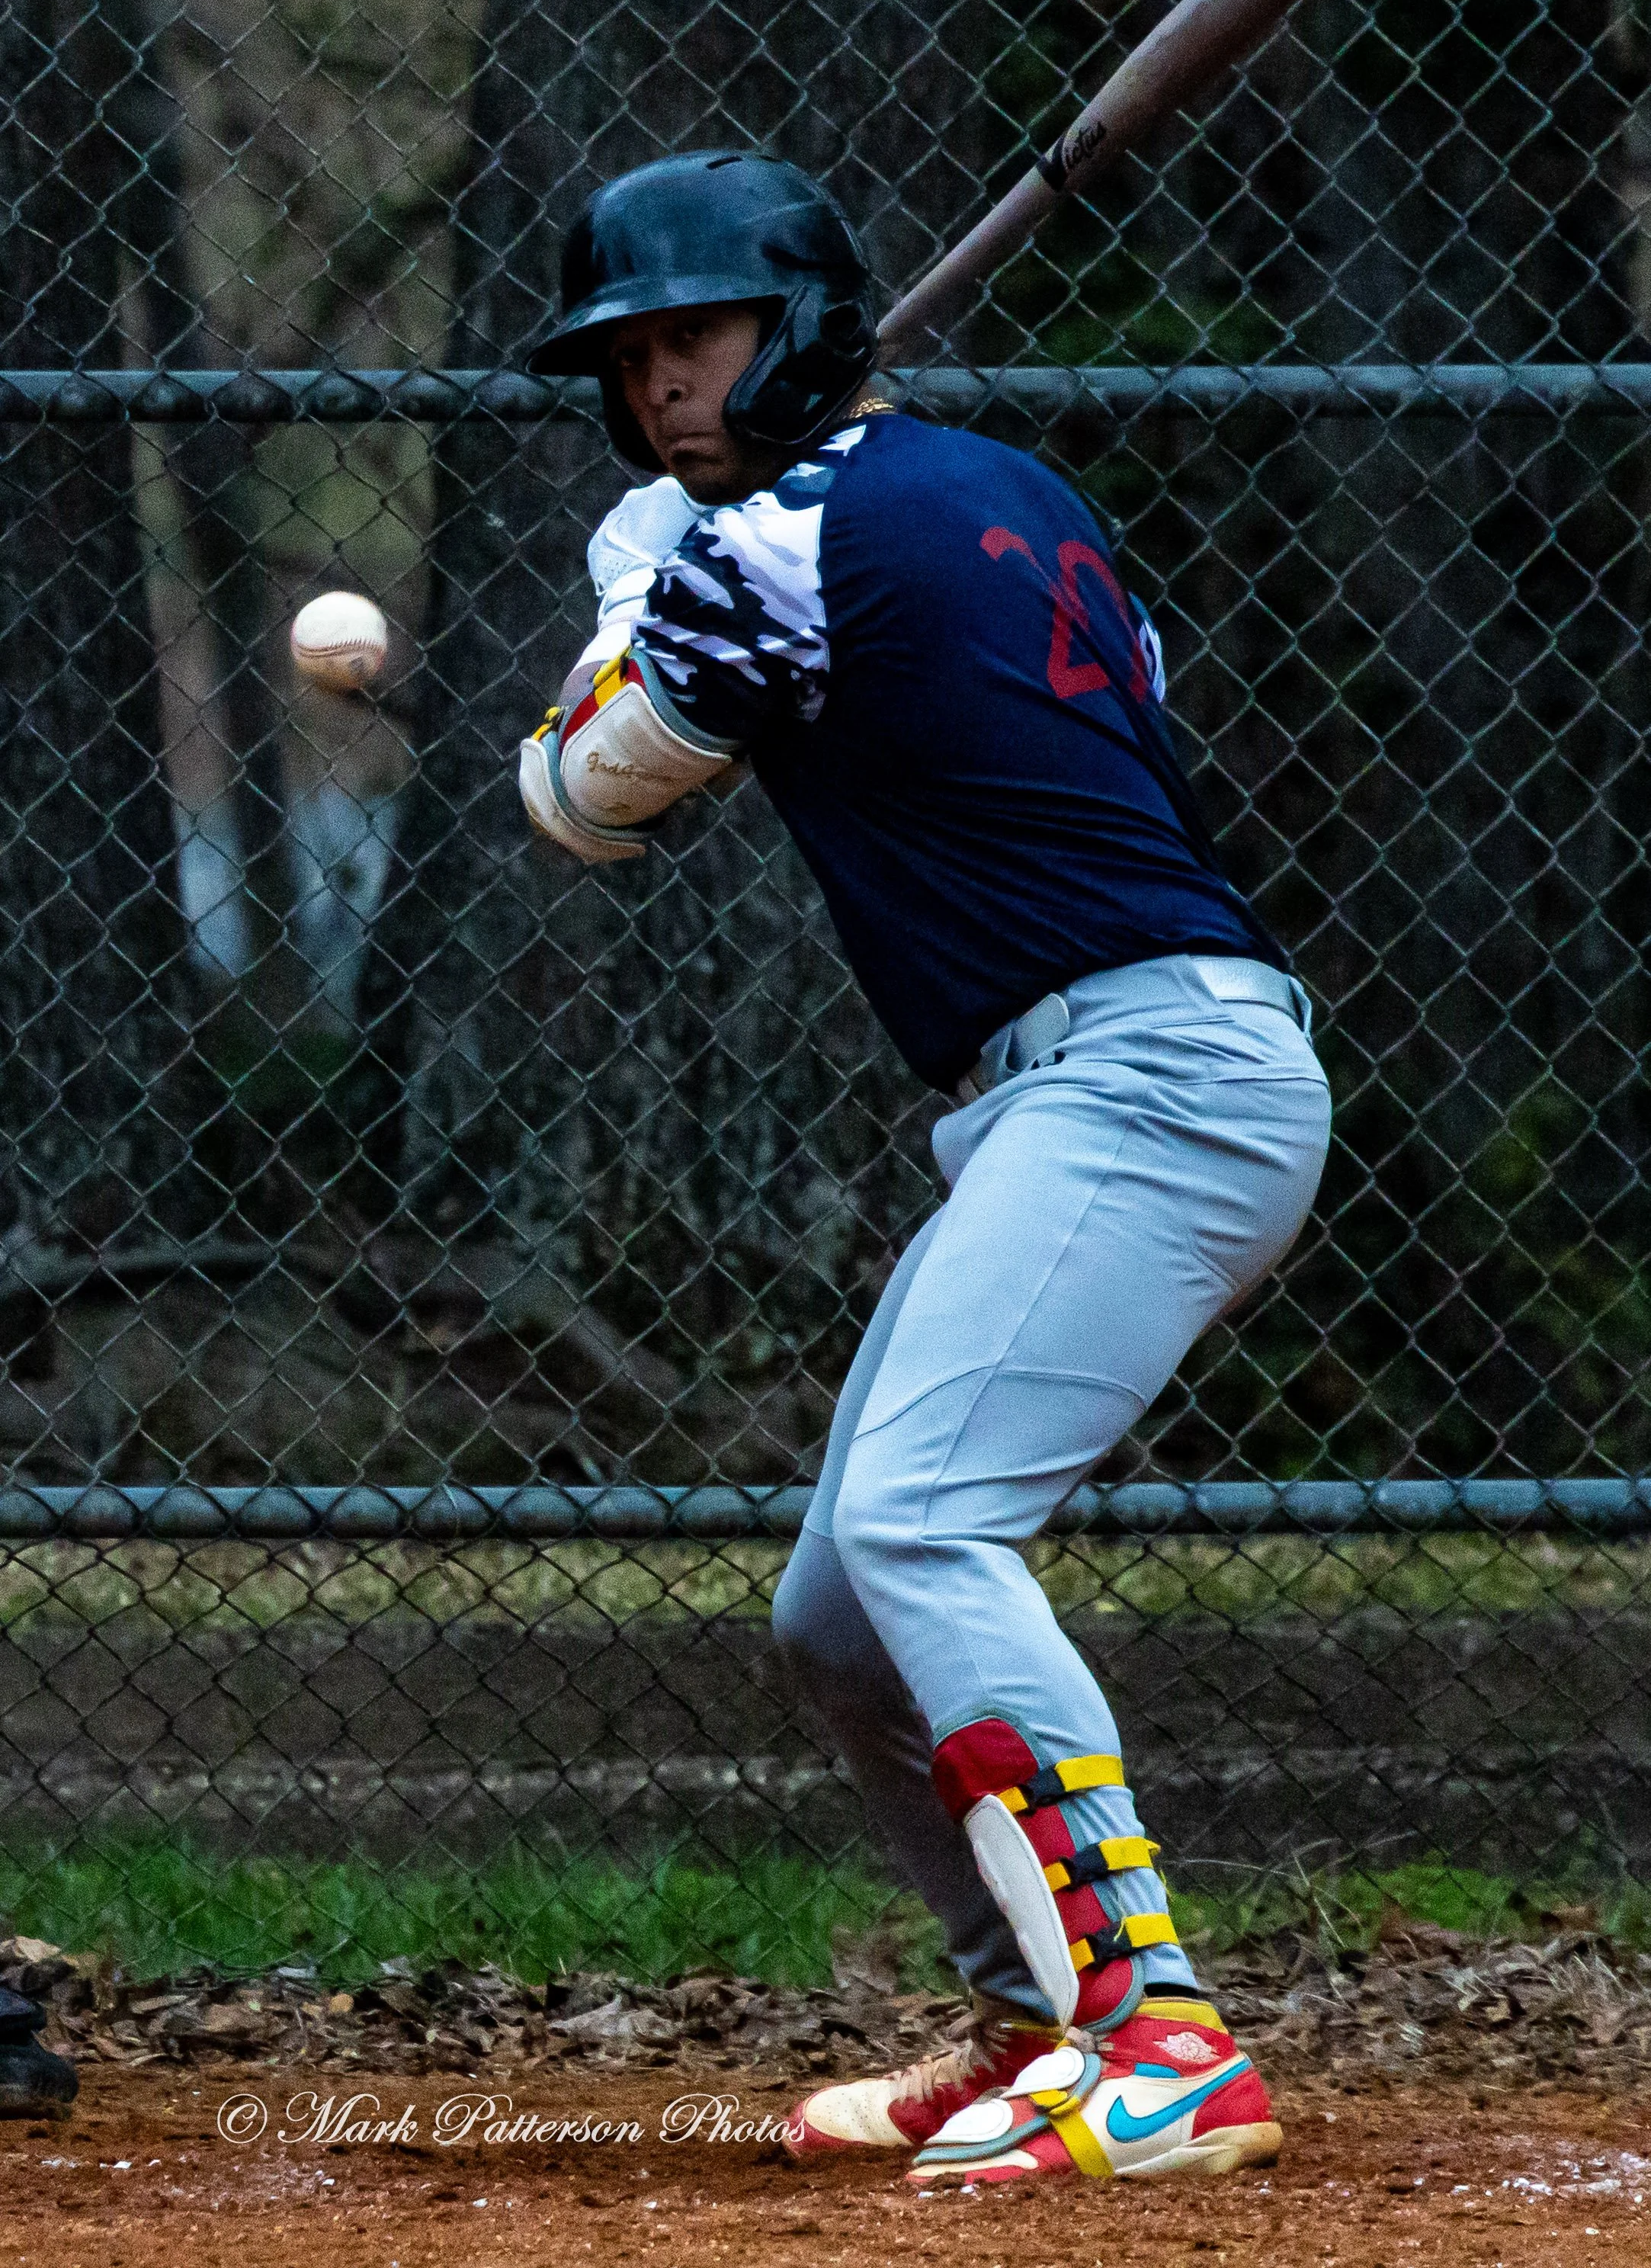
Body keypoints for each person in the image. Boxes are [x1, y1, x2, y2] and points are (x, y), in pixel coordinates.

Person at [521, 150, 1332, 2187]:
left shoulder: (767, 545)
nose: (657, 390)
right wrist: (697, 563)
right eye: (630, 360)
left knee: (920, 1525)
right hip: (1134, 1069)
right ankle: (1032, 2018)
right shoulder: (1004, 489)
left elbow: (586, 800)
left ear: (795, 329)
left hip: (1144, 1078)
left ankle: (1157, 2033)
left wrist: (632, 597)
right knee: (839, 1607)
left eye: (695, 342)